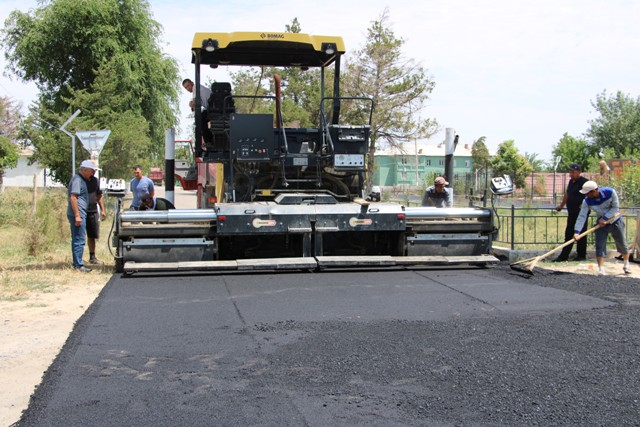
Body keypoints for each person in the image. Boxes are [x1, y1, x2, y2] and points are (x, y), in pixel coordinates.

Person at [573, 180, 630, 276]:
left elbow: (615, 208)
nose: (586, 195)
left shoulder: (610, 192)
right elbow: (582, 216)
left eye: (587, 193)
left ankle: (626, 264)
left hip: (615, 220)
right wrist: (577, 232)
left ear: (594, 191)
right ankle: (601, 269)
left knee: (622, 243)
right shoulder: (586, 201)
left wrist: (606, 218)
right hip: (600, 224)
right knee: (599, 246)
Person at [67, 160, 98, 272]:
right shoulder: (77, 180)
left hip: (81, 213)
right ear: (85, 170)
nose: (92, 173)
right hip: (78, 214)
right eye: (91, 171)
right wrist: (77, 216)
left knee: (79, 238)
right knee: (79, 239)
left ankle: (78, 263)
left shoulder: (81, 180)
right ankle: (78, 265)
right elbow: (73, 197)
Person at [553, 163, 589, 262]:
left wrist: (586, 206)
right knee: (569, 234)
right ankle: (564, 256)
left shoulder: (585, 182)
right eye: (570, 172)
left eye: (573, 172)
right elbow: (567, 194)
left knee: (581, 234)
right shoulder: (571, 182)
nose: (571, 174)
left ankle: (581, 256)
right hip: (572, 212)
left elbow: (591, 194)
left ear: (579, 172)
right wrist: (561, 205)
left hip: (581, 213)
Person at [85, 161, 107, 265]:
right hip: (82, 211)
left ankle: (92, 257)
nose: (93, 172)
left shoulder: (96, 181)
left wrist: (103, 209)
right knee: (79, 236)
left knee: (92, 235)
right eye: (92, 170)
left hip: (93, 210)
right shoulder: (80, 180)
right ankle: (77, 259)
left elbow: (99, 196)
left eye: (95, 171)